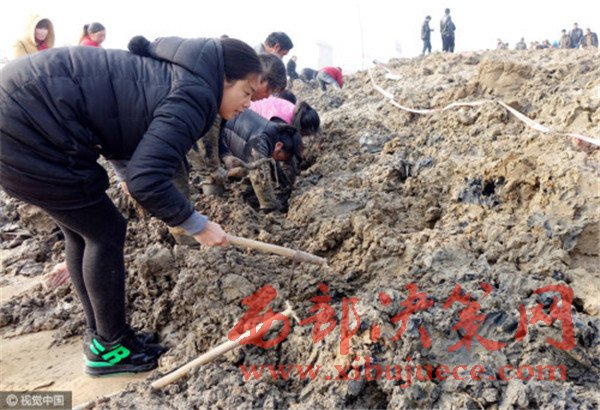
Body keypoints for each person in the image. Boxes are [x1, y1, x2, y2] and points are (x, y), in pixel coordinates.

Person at [0, 35, 262, 376]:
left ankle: (106, 338)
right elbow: (147, 180)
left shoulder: (176, 74)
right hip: (26, 126)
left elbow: (122, 116)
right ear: (225, 79)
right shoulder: (196, 95)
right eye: (247, 92)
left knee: (84, 232)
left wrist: (127, 173)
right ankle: (110, 347)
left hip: (25, 114)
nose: (249, 104)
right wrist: (196, 224)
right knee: (105, 232)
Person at [219, 109, 303, 212]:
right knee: (214, 180)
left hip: (224, 127)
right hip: (212, 136)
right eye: (286, 157)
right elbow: (260, 180)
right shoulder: (259, 144)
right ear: (279, 146)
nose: (284, 160)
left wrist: (286, 185)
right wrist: (273, 208)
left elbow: (272, 163)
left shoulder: (275, 131)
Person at [250, 96, 320, 136]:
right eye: (306, 133)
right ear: (301, 128)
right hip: (249, 114)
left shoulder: (295, 110)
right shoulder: (280, 123)